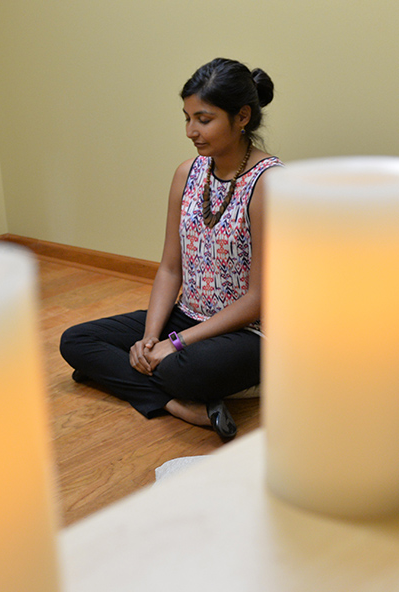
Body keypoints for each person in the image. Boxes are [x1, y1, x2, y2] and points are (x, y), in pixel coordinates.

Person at [60, 58, 283, 441]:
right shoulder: (187, 173)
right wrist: (150, 339)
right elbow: (169, 269)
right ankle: (179, 405)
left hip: (253, 332)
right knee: (76, 340)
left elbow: (260, 299)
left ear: (242, 116)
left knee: (179, 369)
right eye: (187, 118)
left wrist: (174, 344)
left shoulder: (270, 183)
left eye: (203, 119)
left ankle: (129, 378)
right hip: (189, 314)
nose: (190, 131)